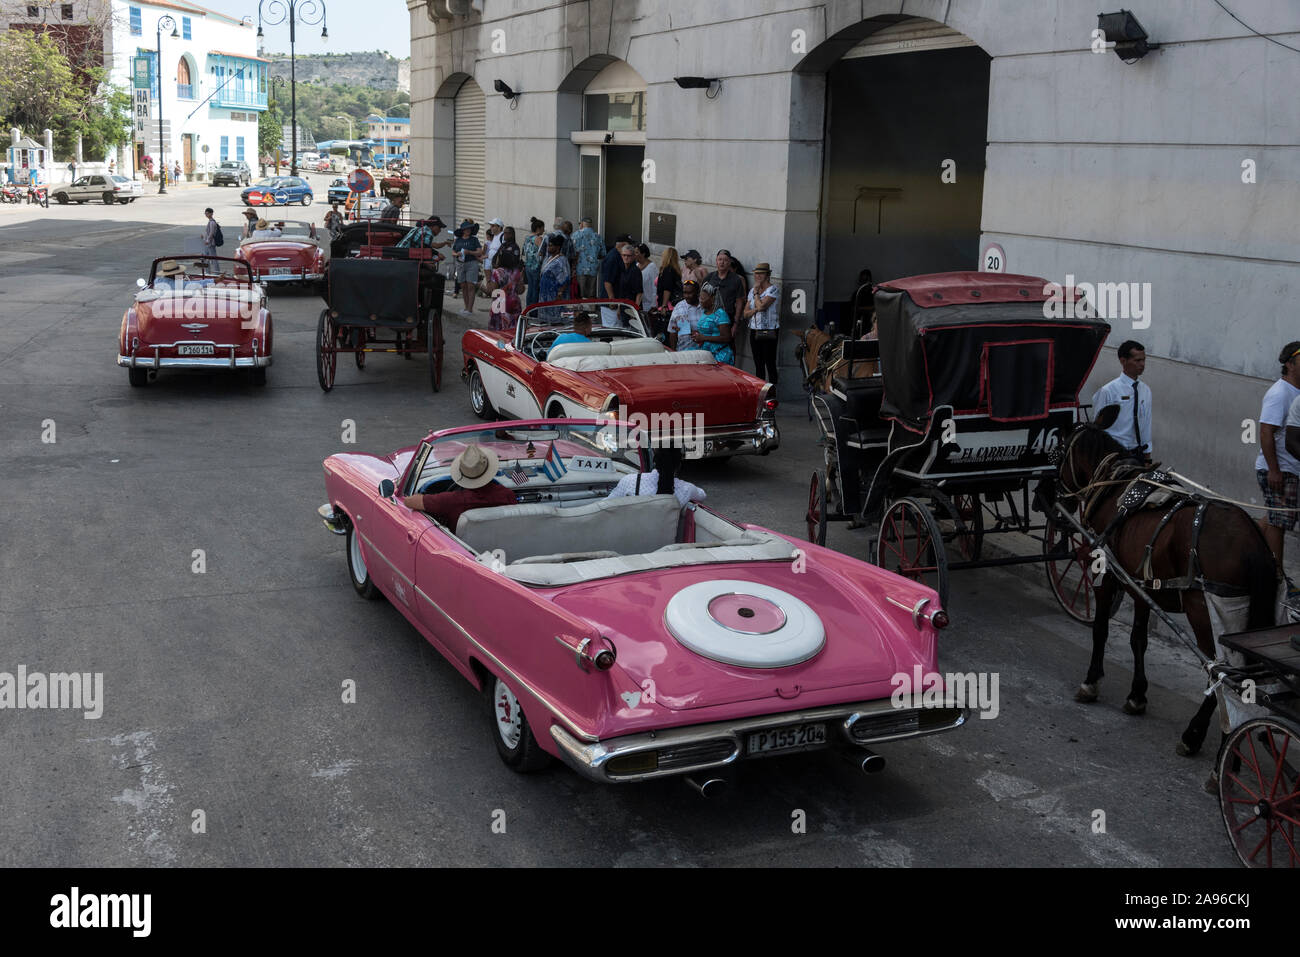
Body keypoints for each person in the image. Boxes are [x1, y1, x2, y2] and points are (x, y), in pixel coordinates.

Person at [1254, 341, 1300, 569]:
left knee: (1278, 517)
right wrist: (1274, 470)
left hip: (1291, 469)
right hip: (1279, 469)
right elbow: (1265, 432)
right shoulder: (1280, 393)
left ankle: (1246, 549)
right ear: (1290, 364)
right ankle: (1276, 574)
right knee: (1279, 523)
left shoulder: (1296, 392)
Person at [404, 444, 516, 531]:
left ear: (463, 475)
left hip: (463, 551)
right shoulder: (508, 495)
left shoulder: (451, 500)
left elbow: (409, 502)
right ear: (488, 470)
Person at [1091, 340, 1152, 466]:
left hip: (1137, 455)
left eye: (1143, 360)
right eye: (1137, 360)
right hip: (1113, 457)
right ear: (1123, 361)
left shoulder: (1145, 390)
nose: (1142, 364)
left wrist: (1147, 458)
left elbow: (1146, 425)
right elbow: (1097, 429)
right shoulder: (1108, 391)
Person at [606, 447, 706, 510]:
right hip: (667, 543)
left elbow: (605, 505)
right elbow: (702, 495)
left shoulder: (630, 481)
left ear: (655, 462)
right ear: (679, 465)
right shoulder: (686, 489)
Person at [742, 261, 781, 385]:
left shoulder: (773, 289)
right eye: (756, 274)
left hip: (769, 329)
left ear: (767, 275)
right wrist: (755, 309)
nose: (757, 276)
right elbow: (745, 313)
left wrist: (756, 294)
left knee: (770, 362)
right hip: (754, 329)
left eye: (761, 274)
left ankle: (773, 393)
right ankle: (761, 392)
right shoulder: (752, 291)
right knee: (758, 363)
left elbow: (763, 306)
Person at [693, 282, 734, 364]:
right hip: (706, 355)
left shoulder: (720, 314)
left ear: (712, 298)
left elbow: (726, 337)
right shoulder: (704, 312)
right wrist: (697, 336)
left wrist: (704, 338)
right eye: (700, 297)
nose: (700, 301)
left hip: (720, 356)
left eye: (703, 298)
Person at [486, 248, 525, 331]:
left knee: (498, 329)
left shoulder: (497, 272)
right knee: (513, 329)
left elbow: (494, 291)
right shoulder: (516, 272)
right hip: (514, 303)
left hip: (499, 304)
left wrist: (481, 286)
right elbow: (521, 290)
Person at [453, 220, 486, 317]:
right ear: (463, 230)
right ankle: (466, 307)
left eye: (470, 228)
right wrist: (457, 254)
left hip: (472, 263)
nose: (468, 230)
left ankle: (470, 309)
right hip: (460, 264)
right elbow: (453, 252)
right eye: (466, 229)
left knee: (471, 285)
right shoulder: (458, 240)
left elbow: (479, 252)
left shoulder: (474, 240)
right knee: (463, 285)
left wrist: (470, 252)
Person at [668, 279, 705, 351]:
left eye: (690, 293)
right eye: (685, 293)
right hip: (683, 351)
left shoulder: (705, 306)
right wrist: (673, 352)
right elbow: (672, 332)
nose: (686, 296)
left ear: (697, 293)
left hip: (704, 351)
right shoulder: (679, 307)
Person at [572, 217, 603, 298]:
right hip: (593, 268)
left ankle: (582, 309)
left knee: (580, 292)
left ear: (582, 224)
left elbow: (572, 253)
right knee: (591, 292)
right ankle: (591, 309)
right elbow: (603, 254)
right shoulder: (598, 236)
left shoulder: (576, 235)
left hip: (580, 268)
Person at [538, 233, 571, 305]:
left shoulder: (561, 261)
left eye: (550, 246)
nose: (548, 248)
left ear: (558, 247)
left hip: (554, 295)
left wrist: (560, 293)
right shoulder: (549, 258)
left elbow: (565, 278)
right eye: (548, 246)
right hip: (545, 294)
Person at [600, 233, 635, 300]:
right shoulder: (612, 258)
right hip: (610, 302)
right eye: (629, 245)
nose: (631, 247)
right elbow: (607, 281)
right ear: (622, 245)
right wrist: (612, 299)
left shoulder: (620, 255)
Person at [522, 217, 546, 307]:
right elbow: (542, 253)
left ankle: (528, 307)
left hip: (528, 266)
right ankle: (534, 310)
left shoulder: (527, 238)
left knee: (530, 288)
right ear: (539, 228)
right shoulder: (538, 239)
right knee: (536, 289)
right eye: (543, 228)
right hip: (536, 267)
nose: (544, 230)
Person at [635, 243, 658, 315]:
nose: (634, 254)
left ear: (643, 254)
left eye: (636, 252)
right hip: (637, 302)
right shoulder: (636, 265)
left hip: (648, 304)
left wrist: (653, 304)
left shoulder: (652, 267)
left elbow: (655, 286)